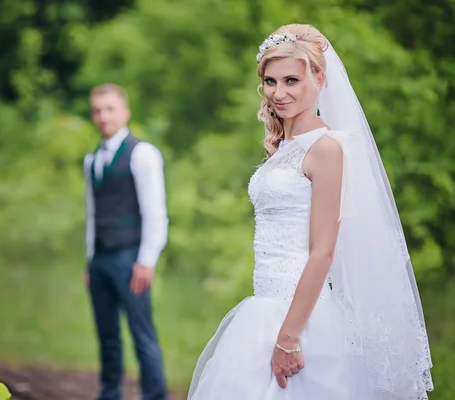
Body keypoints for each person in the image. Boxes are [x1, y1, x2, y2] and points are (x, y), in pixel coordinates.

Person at [187, 24, 434, 399]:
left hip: (301, 321)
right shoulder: (285, 147)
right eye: (270, 81)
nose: (278, 92)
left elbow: (323, 251)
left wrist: (288, 338)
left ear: (319, 78)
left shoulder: (325, 148)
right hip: (262, 310)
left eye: (291, 80)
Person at [83, 83, 168, 400]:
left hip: (131, 257)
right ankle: (109, 394)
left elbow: (155, 212)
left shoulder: (142, 153)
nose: (103, 116)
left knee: (142, 334)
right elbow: (92, 213)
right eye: (97, 110)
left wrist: (146, 261)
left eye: (110, 109)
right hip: (101, 260)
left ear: (125, 112)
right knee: (107, 336)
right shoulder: (91, 160)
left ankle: (155, 395)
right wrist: (89, 261)